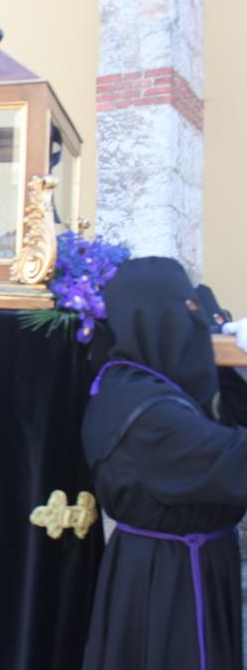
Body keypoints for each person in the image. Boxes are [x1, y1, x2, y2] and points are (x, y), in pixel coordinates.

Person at [82, 257, 247, 670]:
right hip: (168, 580)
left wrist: (232, 371)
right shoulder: (149, 412)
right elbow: (235, 460)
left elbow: (231, 424)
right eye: (188, 307)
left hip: (181, 566)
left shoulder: (142, 385)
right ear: (153, 316)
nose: (196, 320)